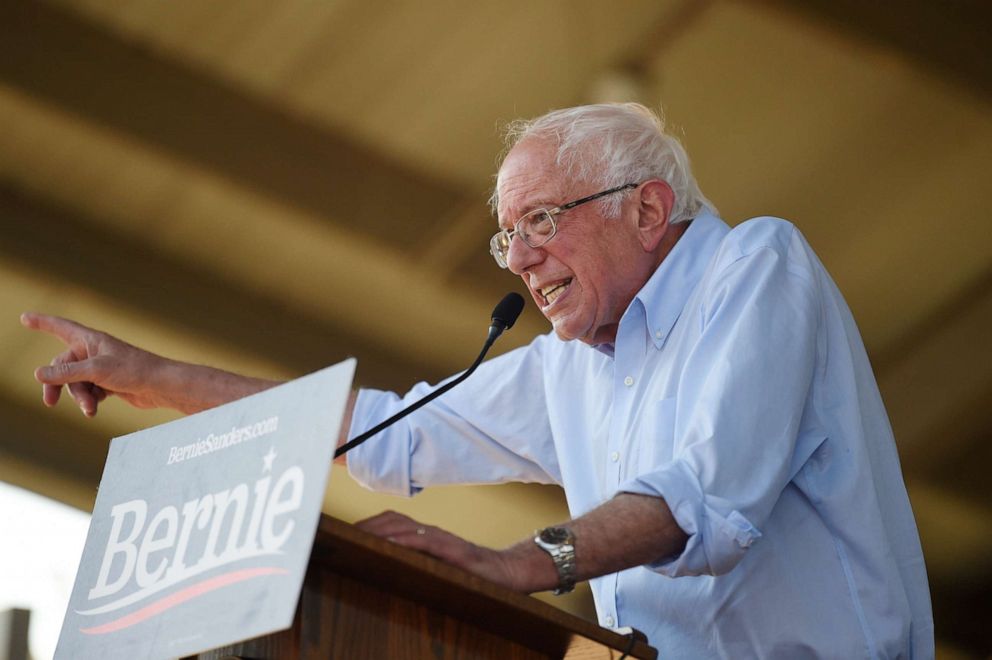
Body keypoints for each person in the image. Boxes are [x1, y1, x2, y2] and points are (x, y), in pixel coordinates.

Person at [22, 103, 933, 658]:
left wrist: (515, 564)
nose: (521, 261)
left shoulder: (757, 266)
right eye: (508, 237)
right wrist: (150, 376)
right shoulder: (569, 368)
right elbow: (382, 434)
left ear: (648, 209)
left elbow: (703, 501)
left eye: (541, 219)